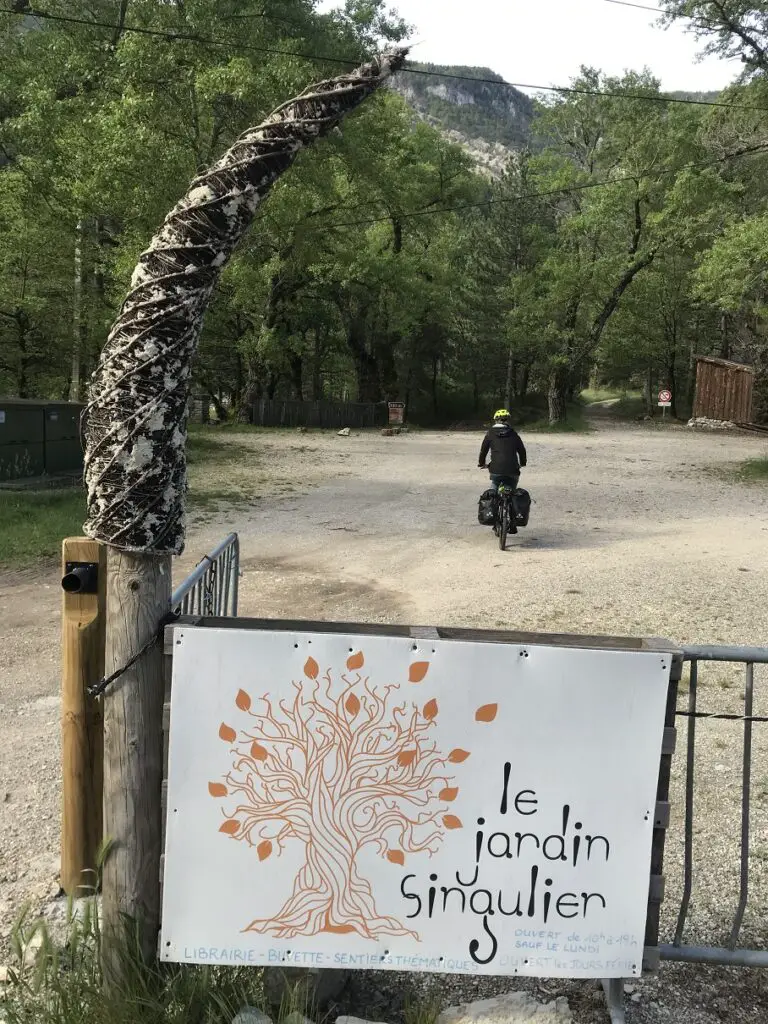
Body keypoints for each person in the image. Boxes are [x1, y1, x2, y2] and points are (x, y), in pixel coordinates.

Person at [478, 409, 527, 490]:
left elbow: (483, 451)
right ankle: (512, 497)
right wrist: (522, 463)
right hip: (512, 469)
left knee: (495, 484)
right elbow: (522, 450)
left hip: (495, 469)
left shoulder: (490, 433)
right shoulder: (513, 434)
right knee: (512, 488)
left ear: (496, 421)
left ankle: (492, 498)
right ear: (508, 421)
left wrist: (482, 463)